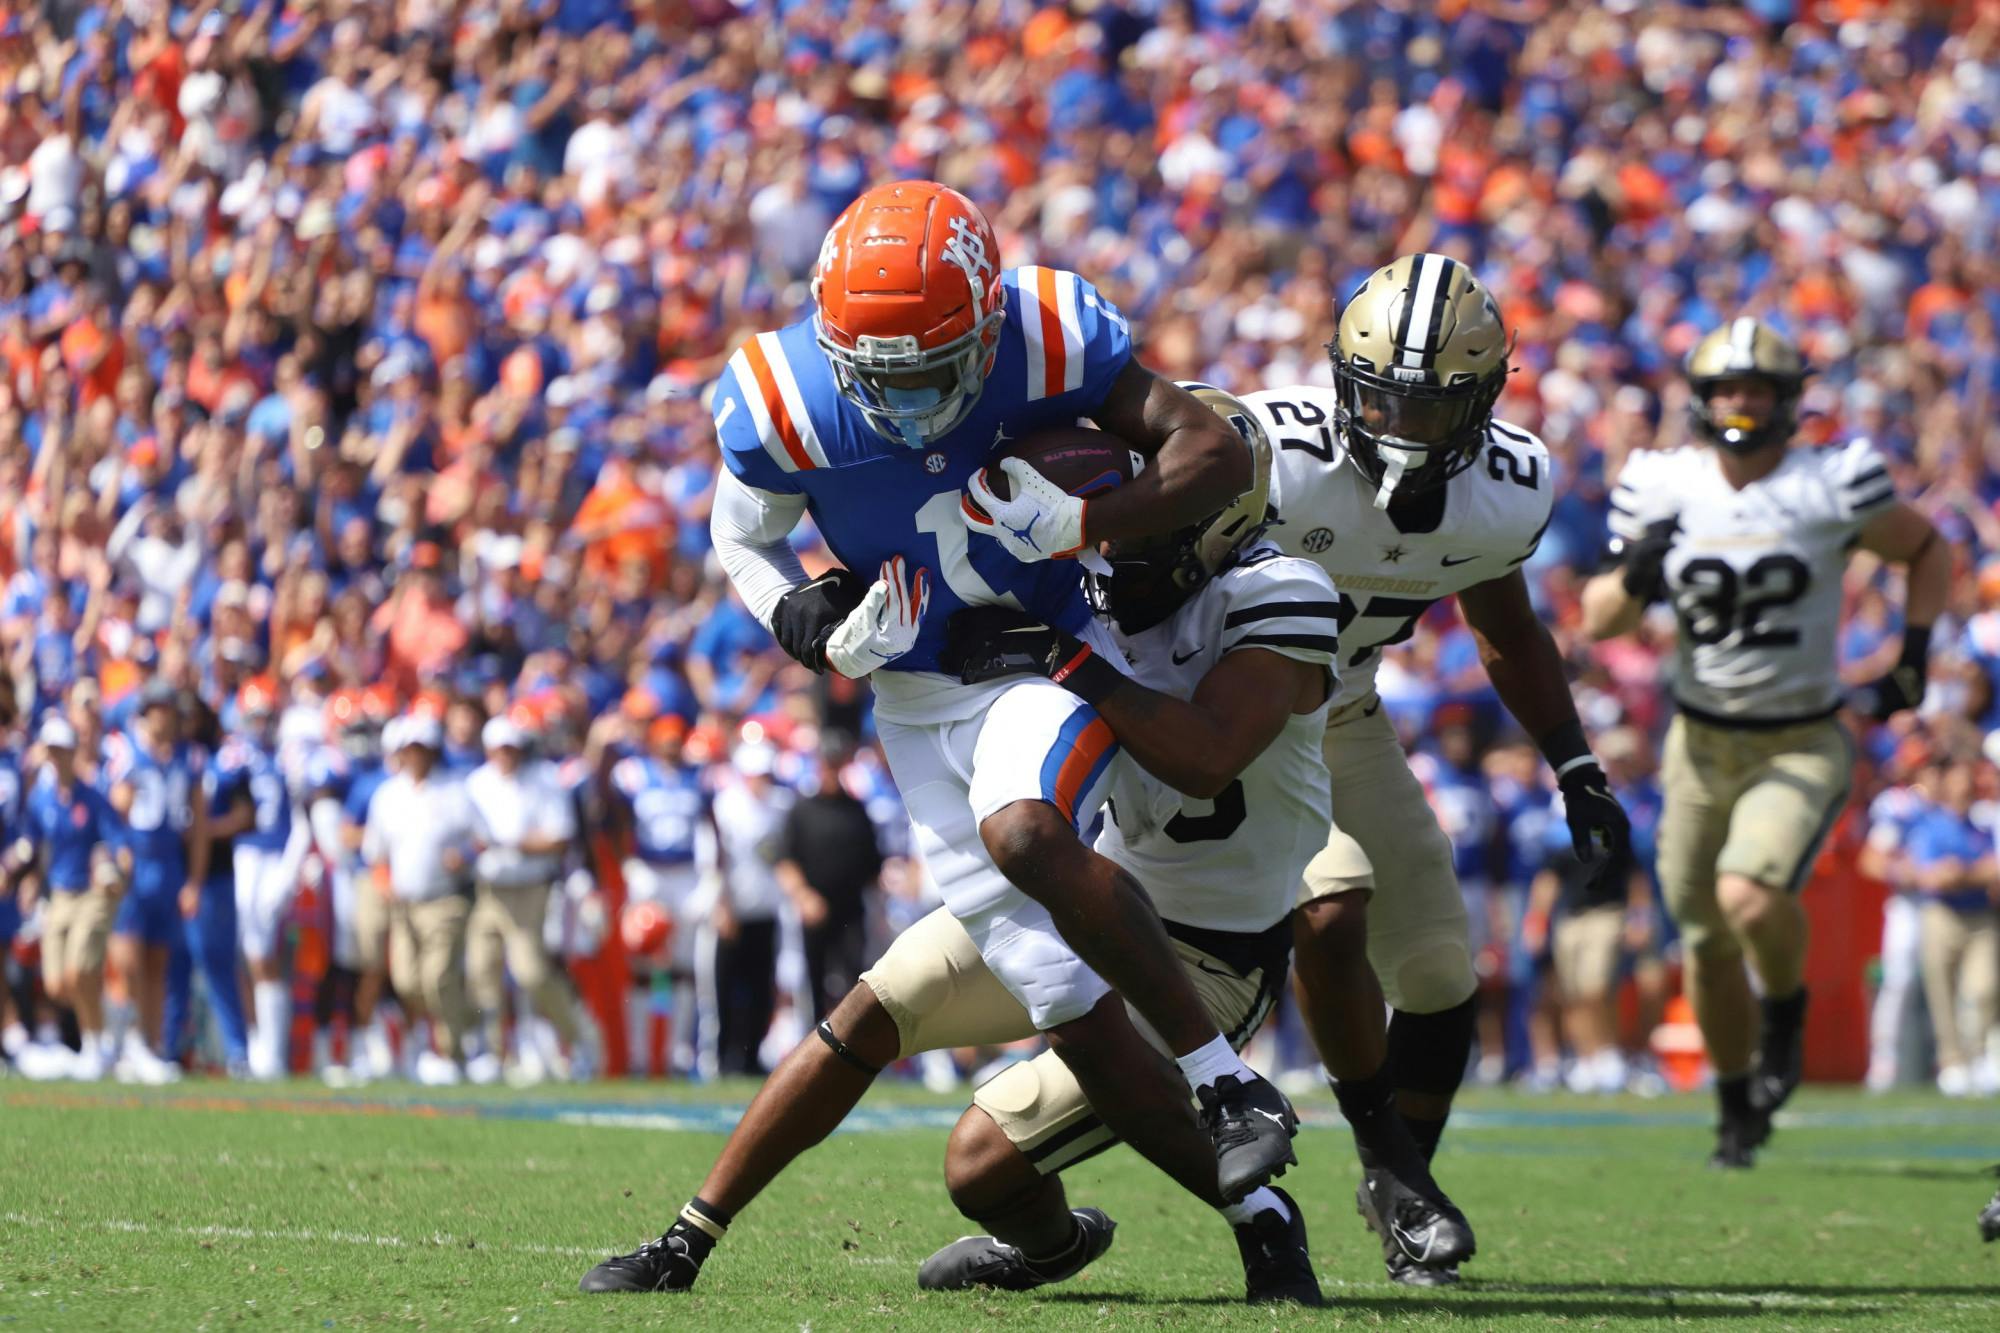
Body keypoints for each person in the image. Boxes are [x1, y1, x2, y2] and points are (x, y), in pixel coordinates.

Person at [581, 387, 1323, 1303]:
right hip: (1088, 885)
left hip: (1212, 949)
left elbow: (1204, 761)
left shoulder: (1279, 594)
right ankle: (687, 1240)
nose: (1112, 546)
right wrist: (840, 597)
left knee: (977, 1165)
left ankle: (1263, 1213)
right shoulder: (1096, 588)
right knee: (873, 1005)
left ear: (1215, 525)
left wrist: (1063, 658)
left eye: (1146, 523)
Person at [697, 179, 1296, 1228]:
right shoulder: (782, 394)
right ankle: (1248, 1214)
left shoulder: (1049, 335)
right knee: (1048, 983)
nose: (915, 401)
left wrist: (1084, 522)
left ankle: (1225, 1077)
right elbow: (740, 536)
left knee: (1023, 829)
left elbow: (1214, 451)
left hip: (1041, 660)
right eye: (884, 376)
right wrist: (797, 616)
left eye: (937, 368)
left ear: (986, 321)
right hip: (912, 695)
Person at [1241, 255, 1630, 1284]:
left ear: (1484, 396)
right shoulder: (1265, 452)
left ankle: (1396, 1188)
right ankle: (1390, 1163)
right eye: (1379, 399)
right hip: (1226, 721)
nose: (1400, 427)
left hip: (1344, 713)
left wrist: (1575, 763)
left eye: (1431, 406)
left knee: (1437, 970)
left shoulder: (1504, 488)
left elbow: (1503, 624)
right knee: (1331, 906)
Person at [1582, 317, 1952, 1166]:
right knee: (1705, 940)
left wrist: (1916, 652)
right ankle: (1734, 1096)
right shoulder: (1665, 483)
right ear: (1702, 400)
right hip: (1699, 741)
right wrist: (1637, 570)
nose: (1739, 403)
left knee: (1749, 894)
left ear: (1789, 400)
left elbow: (1928, 547)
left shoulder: (1831, 481)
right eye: (1724, 390)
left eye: (1755, 388)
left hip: (1800, 738)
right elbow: (1601, 622)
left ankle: (1783, 1009)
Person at [464, 715, 582, 1083]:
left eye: (511, 748)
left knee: (530, 971)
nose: (506, 756)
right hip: (488, 889)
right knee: (481, 969)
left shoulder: (544, 780)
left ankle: (579, 1039)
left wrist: (511, 842)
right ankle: (495, 1053)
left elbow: (560, 837)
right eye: (499, 749)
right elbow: (465, 839)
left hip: (530, 888)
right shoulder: (476, 783)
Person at [362, 715, 478, 1085]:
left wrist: (465, 857)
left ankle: (451, 1052)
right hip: (404, 904)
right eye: (410, 750)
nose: (415, 756)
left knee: (438, 976)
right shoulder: (388, 795)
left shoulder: (455, 791)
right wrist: (384, 883)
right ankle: (435, 1040)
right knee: (407, 981)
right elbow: (375, 853)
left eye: (422, 749)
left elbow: (481, 838)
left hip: (445, 899)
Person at [106, 679, 209, 1082]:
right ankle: (129, 1038)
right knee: (127, 959)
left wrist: (195, 881)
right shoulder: (129, 753)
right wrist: (118, 854)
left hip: (169, 866)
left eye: (170, 709)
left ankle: (149, 1043)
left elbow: (198, 823)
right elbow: (115, 811)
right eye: (159, 709)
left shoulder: (189, 757)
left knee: (157, 961)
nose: (165, 717)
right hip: (138, 863)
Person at [13, 717, 122, 1079]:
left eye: (62, 750)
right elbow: (32, 845)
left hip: (91, 894)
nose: (57, 758)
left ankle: (95, 1043)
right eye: (52, 751)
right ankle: (107, 1026)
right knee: (58, 984)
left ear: (73, 752)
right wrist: (24, 878)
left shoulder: (91, 797)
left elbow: (111, 843)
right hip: (59, 896)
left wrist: (112, 868)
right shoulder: (42, 798)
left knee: (79, 971)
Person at [216, 676, 308, 1079]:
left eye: (266, 716)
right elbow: (213, 798)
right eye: (255, 716)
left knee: (265, 951)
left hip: (275, 855)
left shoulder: (291, 755)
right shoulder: (235, 754)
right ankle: (258, 1044)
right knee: (246, 950)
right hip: (244, 856)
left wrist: (292, 867)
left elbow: (303, 816)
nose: (261, 724)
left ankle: (272, 1049)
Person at [1900, 759, 1998, 1096]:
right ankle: (1953, 1062)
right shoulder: (1930, 826)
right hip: (1941, 915)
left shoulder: (1984, 825)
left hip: (1980, 916)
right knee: (1942, 994)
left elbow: (1992, 871)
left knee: (1983, 989)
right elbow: (1931, 874)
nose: (1963, 793)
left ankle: (1979, 1055)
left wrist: (1964, 874)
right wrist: (1970, 874)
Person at [774, 730, 883, 1022]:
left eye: (837, 764)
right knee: (813, 981)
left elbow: (873, 864)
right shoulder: (802, 809)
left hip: (852, 909)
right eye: (827, 763)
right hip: (814, 908)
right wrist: (803, 896)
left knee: (854, 978)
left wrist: (881, 908)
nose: (831, 771)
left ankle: (850, 1045)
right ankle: (811, 1044)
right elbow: (784, 859)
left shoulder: (856, 810)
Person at [703, 739, 791, 1078]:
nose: (761, 781)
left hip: (766, 909)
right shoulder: (725, 806)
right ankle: (723, 1057)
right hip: (733, 909)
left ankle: (751, 1055)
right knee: (724, 986)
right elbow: (715, 860)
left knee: (761, 986)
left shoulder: (781, 806)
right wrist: (722, 905)